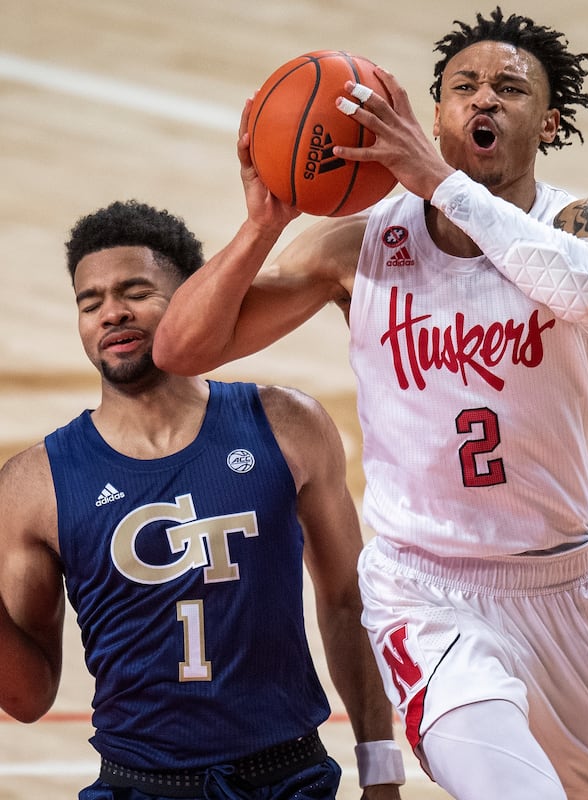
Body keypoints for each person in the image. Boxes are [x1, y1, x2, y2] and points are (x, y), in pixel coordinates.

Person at [153, 7, 588, 800]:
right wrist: (264, 224)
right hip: (427, 597)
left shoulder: (575, 226)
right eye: (463, 86)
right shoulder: (360, 247)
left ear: (550, 121)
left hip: (569, 585)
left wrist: (440, 181)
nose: (482, 101)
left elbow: (580, 288)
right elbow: (181, 350)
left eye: (509, 88)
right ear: (433, 114)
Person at [0, 199, 404, 800]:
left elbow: (348, 603)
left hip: (289, 777)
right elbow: (28, 700)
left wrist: (381, 769)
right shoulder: (34, 485)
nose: (112, 313)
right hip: (139, 786)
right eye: (91, 303)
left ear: (190, 297)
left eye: (136, 292)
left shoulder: (287, 425)